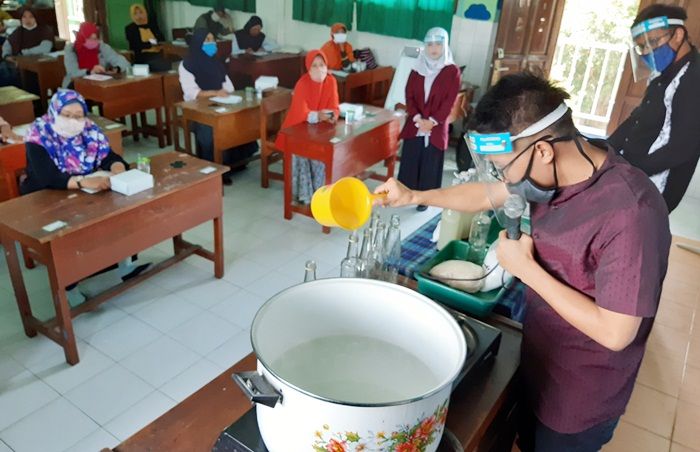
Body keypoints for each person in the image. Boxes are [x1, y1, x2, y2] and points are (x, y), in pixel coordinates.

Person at [375, 72, 671, 452]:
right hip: (540, 357)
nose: (504, 178)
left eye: (504, 166)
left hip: (579, 395)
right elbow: (485, 195)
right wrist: (413, 194)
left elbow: (616, 333)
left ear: (544, 150)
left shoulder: (631, 212)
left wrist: (525, 268)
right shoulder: (557, 165)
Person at [21, 89, 150, 296]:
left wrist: (117, 165)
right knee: (68, 231)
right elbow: (47, 177)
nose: (73, 121)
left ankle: (122, 264)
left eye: (79, 116)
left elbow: (108, 156)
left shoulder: (90, 130)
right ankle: (69, 287)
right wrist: (83, 182)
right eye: (67, 115)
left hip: (86, 190)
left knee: (120, 208)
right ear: (55, 111)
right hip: (46, 195)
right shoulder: (38, 135)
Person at [608, 4, 700, 213]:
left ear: (678, 34)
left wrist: (630, 171)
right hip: (632, 174)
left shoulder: (694, 79)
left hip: (654, 188)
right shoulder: (663, 74)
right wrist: (606, 148)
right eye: (642, 46)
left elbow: (681, 148)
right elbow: (638, 119)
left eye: (653, 42)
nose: (648, 51)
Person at [178, 29, 257, 185]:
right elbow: (191, 92)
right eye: (207, 40)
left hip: (221, 103)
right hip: (198, 109)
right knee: (213, 129)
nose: (211, 43)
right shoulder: (187, 64)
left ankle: (237, 161)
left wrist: (224, 94)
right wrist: (215, 93)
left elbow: (229, 86)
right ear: (198, 43)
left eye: (212, 39)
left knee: (241, 118)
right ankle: (216, 170)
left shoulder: (216, 62)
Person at [398, 27, 460, 211]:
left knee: (429, 164)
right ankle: (405, 194)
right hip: (416, 123)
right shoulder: (417, 68)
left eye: (438, 44)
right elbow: (409, 95)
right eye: (430, 44)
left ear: (445, 46)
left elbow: (449, 101)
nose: (434, 48)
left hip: (436, 127)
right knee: (411, 159)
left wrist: (432, 121)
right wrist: (418, 118)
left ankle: (424, 199)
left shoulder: (452, 71)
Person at [274, 49, 339, 204]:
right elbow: (300, 113)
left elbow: (334, 106)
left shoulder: (331, 81)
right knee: (304, 152)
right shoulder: (302, 84)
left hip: (320, 129)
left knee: (328, 151)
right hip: (296, 130)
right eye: (314, 66)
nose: (319, 69)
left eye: (321, 64)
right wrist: (318, 115)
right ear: (308, 68)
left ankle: (322, 194)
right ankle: (305, 195)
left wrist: (332, 116)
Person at [62, 22, 130, 88]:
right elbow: (72, 72)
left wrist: (117, 68)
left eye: (95, 39)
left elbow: (123, 62)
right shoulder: (71, 49)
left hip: (99, 84)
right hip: (75, 85)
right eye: (89, 38)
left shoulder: (101, 46)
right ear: (82, 38)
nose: (93, 41)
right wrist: (90, 71)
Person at [124, 3, 170, 72]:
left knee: (168, 64)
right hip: (142, 56)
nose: (139, 16)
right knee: (159, 65)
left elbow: (161, 39)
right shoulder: (130, 28)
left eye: (141, 12)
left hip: (157, 54)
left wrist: (152, 43)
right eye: (136, 14)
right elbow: (136, 45)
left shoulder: (152, 25)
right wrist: (152, 43)